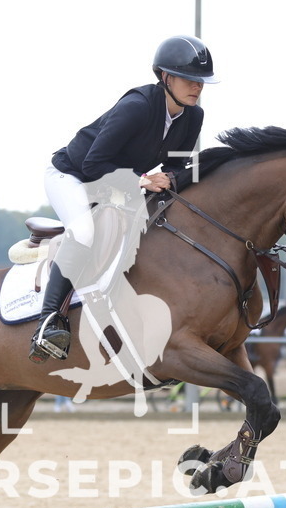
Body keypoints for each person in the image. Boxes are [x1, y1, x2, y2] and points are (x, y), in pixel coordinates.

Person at [29, 35, 217, 363]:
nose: (197, 87)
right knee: (85, 232)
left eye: (201, 81)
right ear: (165, 77)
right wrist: (145, 180)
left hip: (118, 186)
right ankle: (49, 320)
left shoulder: (193, 116)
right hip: (73, 177)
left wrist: (180, 178)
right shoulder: (137, 107)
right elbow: (93, 164)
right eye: (189, 79)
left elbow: (179, 165)